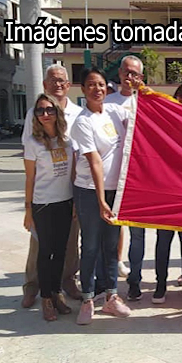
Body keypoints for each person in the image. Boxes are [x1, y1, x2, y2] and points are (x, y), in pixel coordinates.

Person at [70, 67, 132, 325]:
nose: (97, 89)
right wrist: (101, 199)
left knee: (110, 246)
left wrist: (139, 86)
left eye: (101, 85)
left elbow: (143, 114)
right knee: (91, 246)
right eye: (91, 85)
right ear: (83, 90)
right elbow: (94, 161)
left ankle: (112, 297)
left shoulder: (115, 112)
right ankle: (87, 299)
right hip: (89, 192)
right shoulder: (82, 121)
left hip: (114, 191)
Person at [20, 64, 83, 309]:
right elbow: (30, 156)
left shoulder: (78, 112)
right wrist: (28, 205)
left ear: (68, 85)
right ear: (45, 84)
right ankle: (32, 286)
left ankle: (66, 281)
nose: (57, 84)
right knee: (40, 244)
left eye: (62, 81)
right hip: (43, 196)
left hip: (69, 192)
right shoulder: (33, 113)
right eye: (52, 80)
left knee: (69, 241)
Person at [106, 55, 146, 279]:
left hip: (138, 179)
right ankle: (110, 276)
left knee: (138, 234)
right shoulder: (106, 102)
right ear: (119, 73)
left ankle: (135, 280)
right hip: (112, 176)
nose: (130, 77)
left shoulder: (147, 102)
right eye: (126, 72)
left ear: (141, 77)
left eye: (135, 74)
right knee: (110, 231)